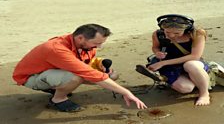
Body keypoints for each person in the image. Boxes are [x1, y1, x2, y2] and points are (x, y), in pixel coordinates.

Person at [12, 24, 147, 112]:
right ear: (80, 37)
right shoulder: (56, 48)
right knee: (75, 77)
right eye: (96, 43)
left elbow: (87, 63)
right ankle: (58, 99)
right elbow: (85, 72)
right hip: (30, 77)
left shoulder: (84, 45)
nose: (99, 47)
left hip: (52, 72)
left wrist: (99, 63)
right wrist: (126, 92)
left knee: (111, 76)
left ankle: (57, 87)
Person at [136, 14, 210, 106]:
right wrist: (157, 53)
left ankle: (204, 93)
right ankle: (199, 79)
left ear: (186, 29)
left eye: (177, 33)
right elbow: (155, 47)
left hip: (191, 62)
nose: (171, 35)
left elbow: (195, 56)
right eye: (167, 32)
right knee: (186, 88)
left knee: (190, 65)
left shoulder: (197, 33)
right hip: (171, 66)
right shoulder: (158, 34)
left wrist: (163, 63)